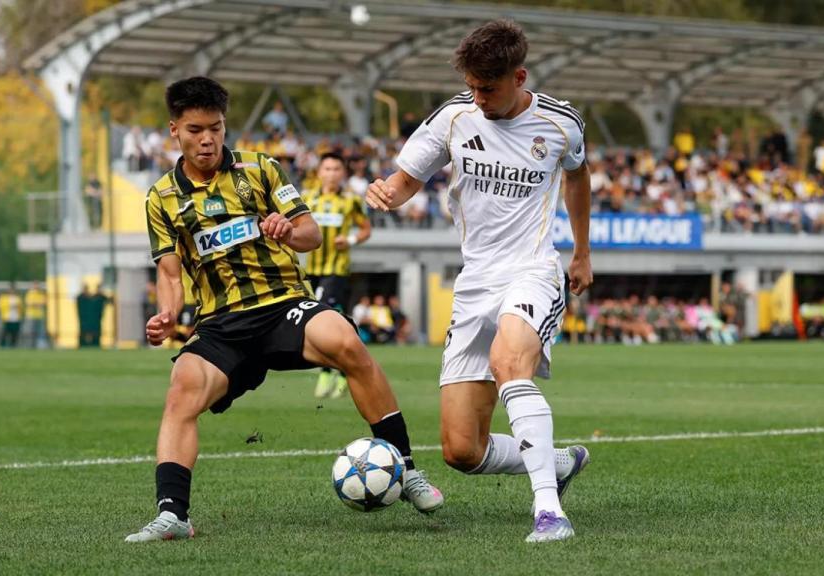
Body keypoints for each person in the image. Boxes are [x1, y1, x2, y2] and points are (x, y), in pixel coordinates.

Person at [125, 77, 443, 543]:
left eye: (215, 127)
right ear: (175, 130)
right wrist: (166, 314)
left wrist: (286, 231)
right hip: (221, 324)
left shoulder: (260, 169)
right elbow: (171, 274)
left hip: (283, 305)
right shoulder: (161, 198)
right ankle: (173, 515)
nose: (208, 138)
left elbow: (311, 234)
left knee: (346, 341)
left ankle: (407, 469)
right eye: (195, 129)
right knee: (182, 391)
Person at [365, 20, 593, 543]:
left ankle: (549, 513)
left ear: (520, 76)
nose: (478, 97)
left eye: (487, 88)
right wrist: (388, 194)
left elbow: (578, 176)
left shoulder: (561, 123)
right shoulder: (453, 117)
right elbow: (406, 180)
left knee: (509, 362)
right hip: (474, 282)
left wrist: (581, 252)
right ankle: (556, 461)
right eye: (471, 86)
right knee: (462, 450)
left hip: (533, 270)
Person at [303, 152, 372, 399]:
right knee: (338, 320)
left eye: (336, 169)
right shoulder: (307, 198)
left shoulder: (351, 200)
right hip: (312, 270)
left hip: (336, 269)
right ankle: (344, 370)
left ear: (343, 173)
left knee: (320, 316)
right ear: (319, 172)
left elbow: (366, 229)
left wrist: (351, 239)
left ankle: (325, 370)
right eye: (327, 168)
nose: (331, 173)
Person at [0, 283, 23, 348]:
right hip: (7, 318)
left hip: (16, 318)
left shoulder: (18, 298)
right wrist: (9, 306)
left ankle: (13, 345)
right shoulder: (4, 297)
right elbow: (0, 306)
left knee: (14, 333)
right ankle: (2, 345)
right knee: (5, 333)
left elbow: (21, 307)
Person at [24, 282, 48, 349]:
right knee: (31, 332)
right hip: (31, 316)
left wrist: (35, 304)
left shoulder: (41, 294)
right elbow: (29, 303)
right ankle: (30, 346)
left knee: (40, 332)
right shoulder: (30, 294)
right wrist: (37, 304)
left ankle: (40, 346)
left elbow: (44, 303)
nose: (36, 286)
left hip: (40, 316)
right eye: (35, 285)